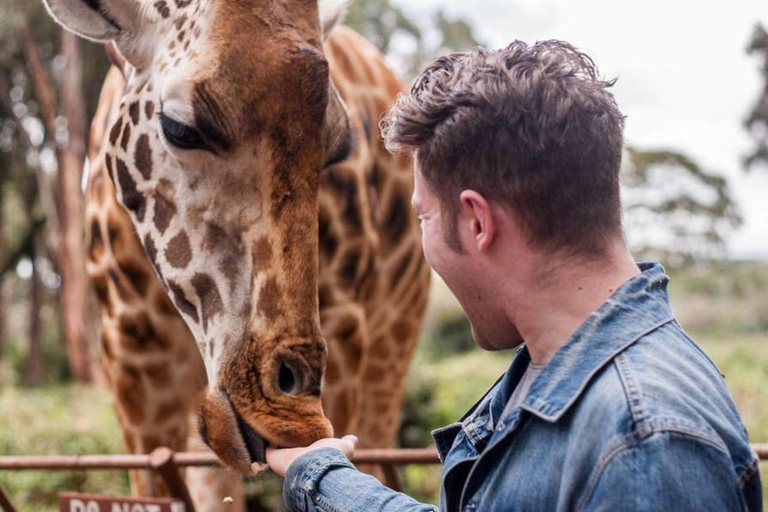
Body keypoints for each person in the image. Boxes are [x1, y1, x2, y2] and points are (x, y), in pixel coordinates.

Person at [266, 40, 763, 512]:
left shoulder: (646, 442)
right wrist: (320, 476)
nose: (424, 241)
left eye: (424, 218)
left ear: (477, 222)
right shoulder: (565, 368)